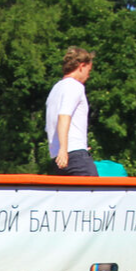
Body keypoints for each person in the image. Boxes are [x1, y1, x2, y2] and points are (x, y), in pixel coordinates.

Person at [45, 47, 97, 177]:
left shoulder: (56, 89)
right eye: (88, 70)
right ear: (81, 66)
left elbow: (51, 124)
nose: (88, 75)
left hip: (58, 158)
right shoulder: (74, 86)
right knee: (95, 195)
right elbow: (64, 116)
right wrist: (65, 148)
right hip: (73, 155)